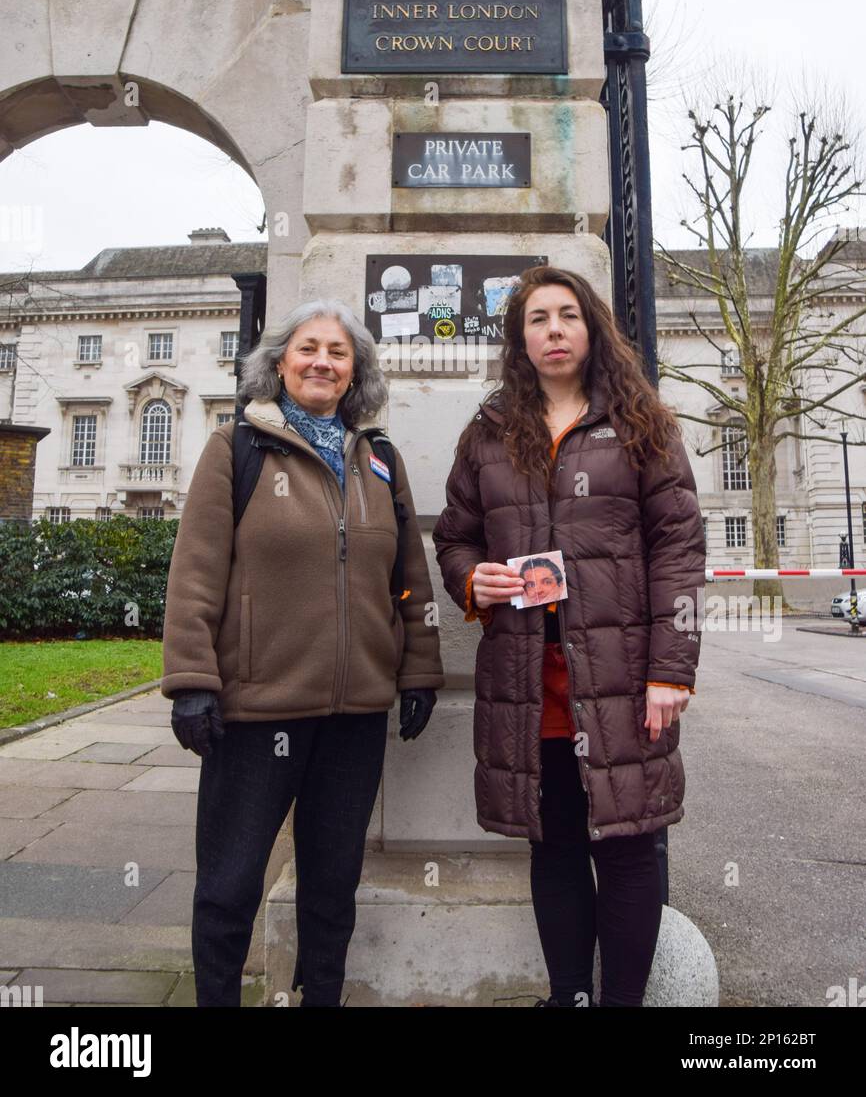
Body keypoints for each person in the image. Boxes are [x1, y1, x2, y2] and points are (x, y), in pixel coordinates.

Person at [432, 265, 705, 1008]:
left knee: (624, 844)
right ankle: (567, 997)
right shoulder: (488, 434)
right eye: (537, 320)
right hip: (529, 681)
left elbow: (678, 551)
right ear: (519, 339)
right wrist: (470, 580)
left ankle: (619, 1000)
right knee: (552, 847)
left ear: (591, 330)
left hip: (621, 676)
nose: (553, 330)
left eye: (568, 316)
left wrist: (671, 672)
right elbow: (453, 537)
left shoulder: (642, 423)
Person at [161, 300, 443, 1007]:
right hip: (259, 710)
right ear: (280, 361)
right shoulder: (236, 449)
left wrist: (418, 669)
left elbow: (410, 577)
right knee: (229, 884)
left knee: (332, 883)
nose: (323, 361)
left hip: (354, 712)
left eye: (338, 353)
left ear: (356, 373)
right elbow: (196, 571)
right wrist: (192, 679)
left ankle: (321, 997)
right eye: (308, 348)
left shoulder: (379, 459)